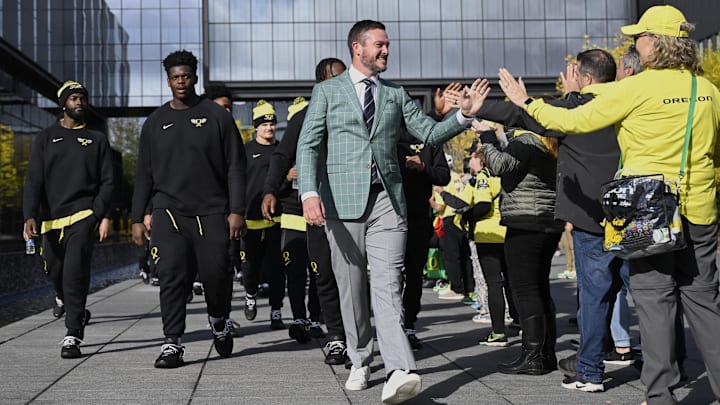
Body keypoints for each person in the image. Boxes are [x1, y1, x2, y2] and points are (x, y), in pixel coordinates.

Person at [499, 6, 720, 404]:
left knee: (654, 302)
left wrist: (526, 101)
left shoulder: (634, 89)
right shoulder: (707, 90)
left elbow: (572, 122)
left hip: (646, 212)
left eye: (640, 37)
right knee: (705, 302)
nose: (635, 44)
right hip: (700, 209)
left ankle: (661, 396)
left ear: (656, 42)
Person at [296, 19, 489, 404]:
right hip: (340, 202)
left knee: (387, 285)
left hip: (388, 200)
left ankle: (400, 368)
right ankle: (360, 358)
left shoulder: (396, 94)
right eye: (380, 45)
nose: (386, 51)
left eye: (387, 45)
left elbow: (428, 134)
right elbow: (309, 145)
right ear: (358, 48)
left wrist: (463, 116)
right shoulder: (328, 92)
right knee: (351, 287)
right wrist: (309, 193)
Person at [476, 48, 627, 390]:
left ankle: (550, 358)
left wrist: (487, 129)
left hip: (535, 218)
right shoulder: (615, 105)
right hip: (578, 216)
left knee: (539, 288)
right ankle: (553, 353)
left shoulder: (543, 130)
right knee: (557, 287)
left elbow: (505, 162)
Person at [131, 50, 247, 368]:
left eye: (186, 76)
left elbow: (236, 166)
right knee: (171, 274)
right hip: (168, 210)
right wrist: (136, 218)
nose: (181, 81)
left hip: (211, 211)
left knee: (216, 275)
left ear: (194, 77)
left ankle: (219, 322)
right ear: (168, 81)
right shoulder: (155, 122)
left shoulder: (217, 116)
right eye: (175, 77)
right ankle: (173, 342)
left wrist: (236, 210)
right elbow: (144, 173)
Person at [261, 58, 348, 353]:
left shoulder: (358, 111)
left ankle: (343, 328)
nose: (344, 81)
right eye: (337, 77)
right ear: (321, 82)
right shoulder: (305, 117)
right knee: (312, 269)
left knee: (346, 274)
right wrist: (272, 189)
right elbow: (281, 156)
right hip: (306, 208)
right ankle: (321, 328)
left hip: (350, 207)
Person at [23, 80, 114, 358]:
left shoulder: (96, 139)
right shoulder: (46, 138)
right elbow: (34, 180)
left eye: (83, 98)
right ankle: (65, 299)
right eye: (74, 98)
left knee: (75, 272)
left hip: (84, 215)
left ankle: (72, 334)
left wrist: (101, 214)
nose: (79, 103)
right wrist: (29, 215)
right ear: (63, 104)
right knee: (55, 270)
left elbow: (109, 181)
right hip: (51, 219)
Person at [397, 125, 450, 350]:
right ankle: (392, 326)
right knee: (389, 275)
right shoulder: (385, 133)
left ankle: (409, 326)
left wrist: (423, 167)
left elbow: (444, 176)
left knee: (415, 274)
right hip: (389, 215)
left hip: (419, 217)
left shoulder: (429, 139)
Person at [242, 100, 286, 329]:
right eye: (265, 124)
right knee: (250, 266)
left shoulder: (282, 151)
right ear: (256, 127)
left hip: (277, 218)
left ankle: (276, 311)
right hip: (250, 218)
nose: (269, 128)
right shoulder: (245, 151)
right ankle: (250, 294)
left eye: (272, 124)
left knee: (277, 267)